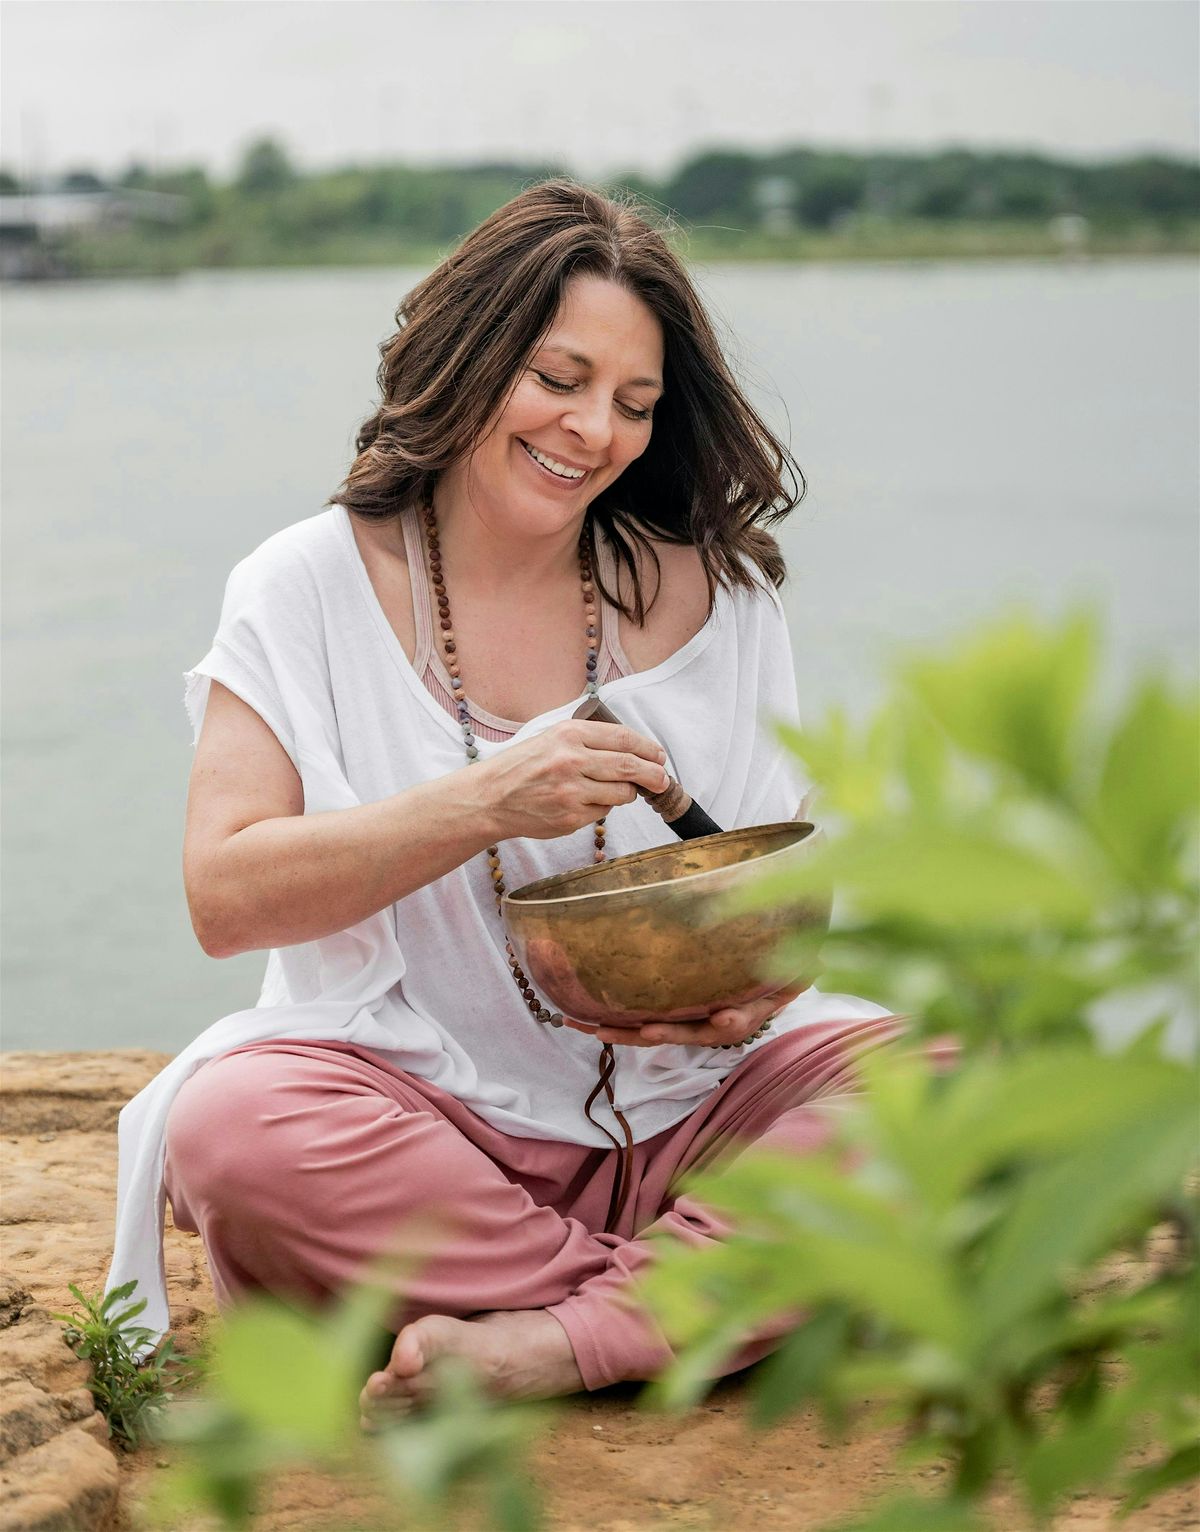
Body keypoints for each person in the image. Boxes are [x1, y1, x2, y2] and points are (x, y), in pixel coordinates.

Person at [105, 178, 902, 1427]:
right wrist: (481, 802)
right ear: (472, 359)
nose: (593, 430)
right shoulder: (304, 586)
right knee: (235, 1130)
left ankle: (549, 1337)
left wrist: (766, 978)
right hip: (423, 1123)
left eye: (635, 403)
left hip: (692, 1113)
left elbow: (786, 884)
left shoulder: (722, 598)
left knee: (946, 1085)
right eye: (558, 378)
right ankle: (691, 1309)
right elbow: (225, 893)